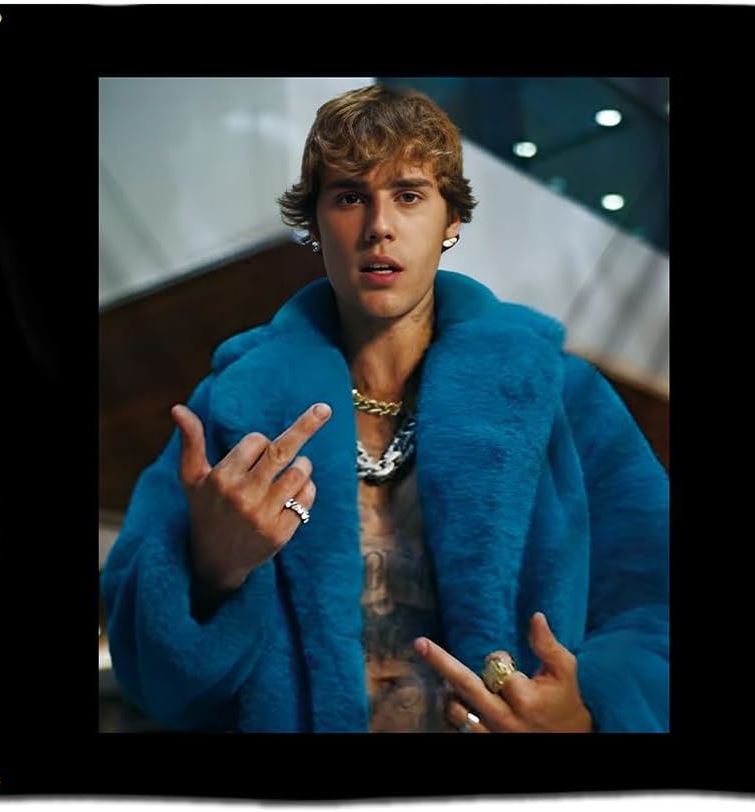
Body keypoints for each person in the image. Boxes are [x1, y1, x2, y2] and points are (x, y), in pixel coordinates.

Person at [100, 83, 669, 733]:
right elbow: (151, 674)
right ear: (314, 225)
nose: (379, 227)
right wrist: (212, 568)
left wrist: (589, 711)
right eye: (349, 197)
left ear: (451, 221)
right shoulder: (235, 405)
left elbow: (659, 601)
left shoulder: (560, 395)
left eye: (409, 195)